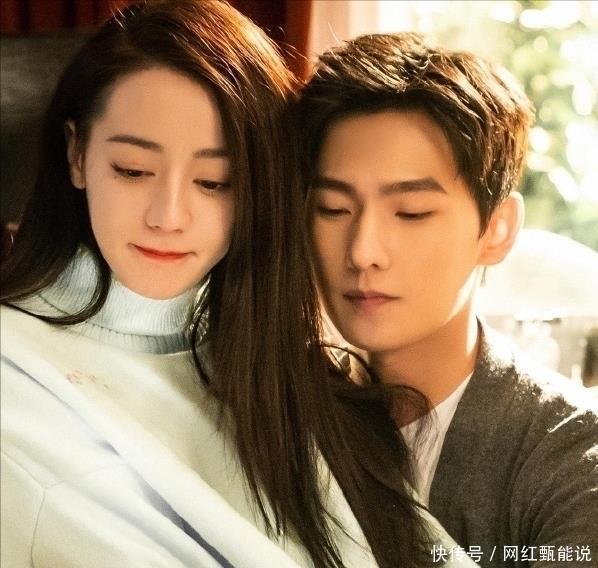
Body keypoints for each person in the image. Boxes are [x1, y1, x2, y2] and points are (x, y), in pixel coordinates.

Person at [0, 4, 471, 568]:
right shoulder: (19, 384)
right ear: (77, 155)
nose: (168, 216)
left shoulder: (283, 370)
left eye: (213, 182)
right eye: (133, 170)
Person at [300, 32, 598, 567]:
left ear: (497, 230)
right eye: (333, 209)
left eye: (411, 213)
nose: (363, 251)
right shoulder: (281, 412)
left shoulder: (571, 451)